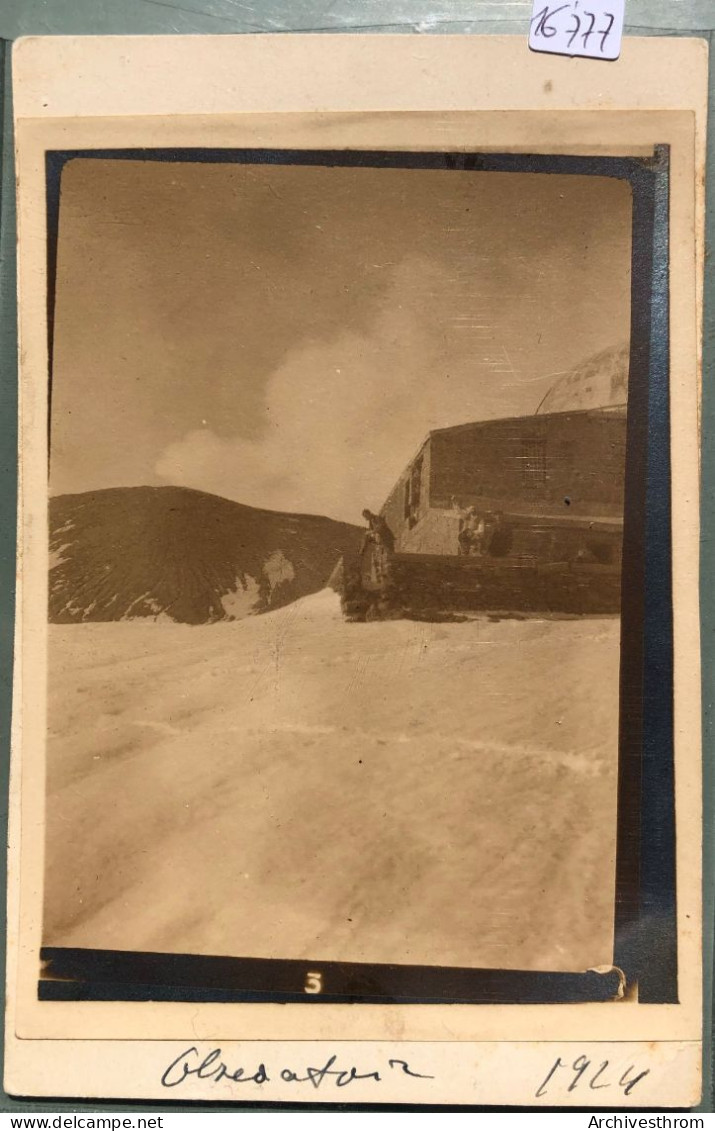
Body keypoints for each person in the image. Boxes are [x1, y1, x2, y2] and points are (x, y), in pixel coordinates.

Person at [361, 509, 395, 584]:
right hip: (381, 541)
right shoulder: (371, 522)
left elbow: (381, 526)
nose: (365, 518)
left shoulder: (377, 518)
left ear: (368, 514)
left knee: (389, 554)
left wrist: (372, 532)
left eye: (365, 516)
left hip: (387, 538)